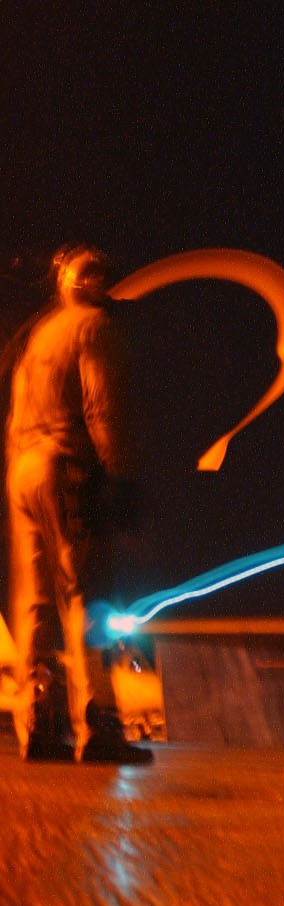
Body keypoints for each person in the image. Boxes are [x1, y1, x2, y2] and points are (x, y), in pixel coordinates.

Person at [8, 247, 148, 762]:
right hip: (66, 468)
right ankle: (99, 723)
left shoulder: (39, 338)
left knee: (37, 602)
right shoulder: (94, 328)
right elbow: (103, 410)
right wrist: (121, 477)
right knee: (88, 593)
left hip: (22, 470)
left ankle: (39, 723)